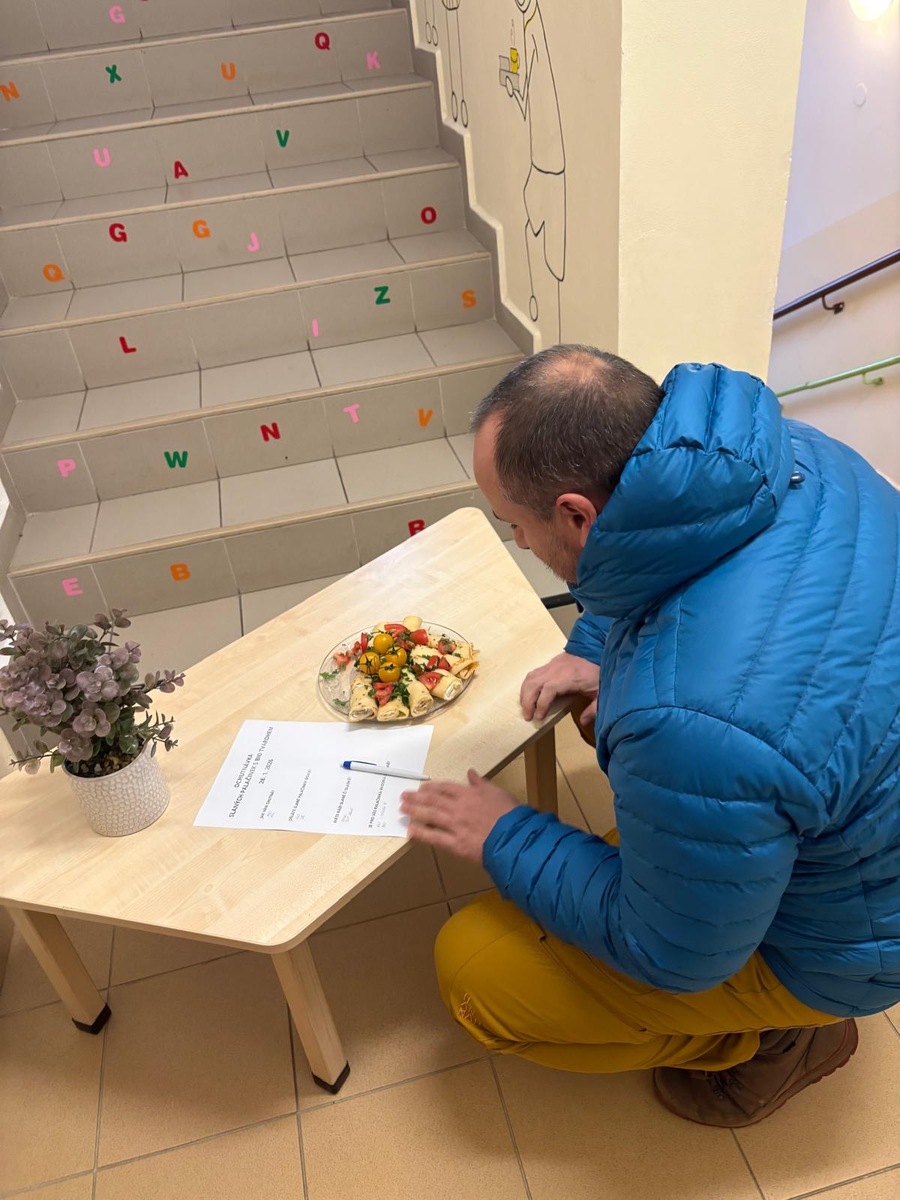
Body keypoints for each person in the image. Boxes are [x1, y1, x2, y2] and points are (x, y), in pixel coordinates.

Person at [399, 346, 900, 1128]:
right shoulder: (781, 451)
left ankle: (781, 1039)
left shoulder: (691, 725)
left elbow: (672, 952)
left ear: (576, 516)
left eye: (515, 524)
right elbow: (674, 550)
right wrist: (595, 647)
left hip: (851, 944)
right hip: (862, 827)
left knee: (473, 971)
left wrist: (503, 834)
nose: (519, 542)